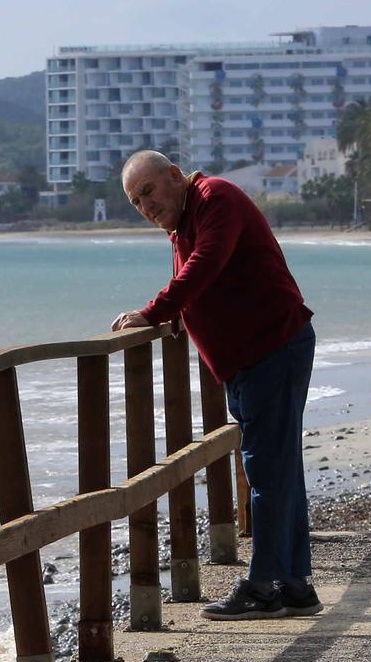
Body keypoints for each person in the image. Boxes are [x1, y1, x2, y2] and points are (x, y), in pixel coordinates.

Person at [111, 151, 319, 620]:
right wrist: (178, 317)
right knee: (279, 468)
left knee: (267, 471)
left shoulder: (215, 197)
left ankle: (263, 586)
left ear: (173, 176)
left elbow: (206, 264)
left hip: (273, 349)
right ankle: (295, 585)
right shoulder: (182, 222)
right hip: (247, 362)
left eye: (148, 191)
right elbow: (197, 279)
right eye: (134, 201)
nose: (144, 205)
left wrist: (155, 311)